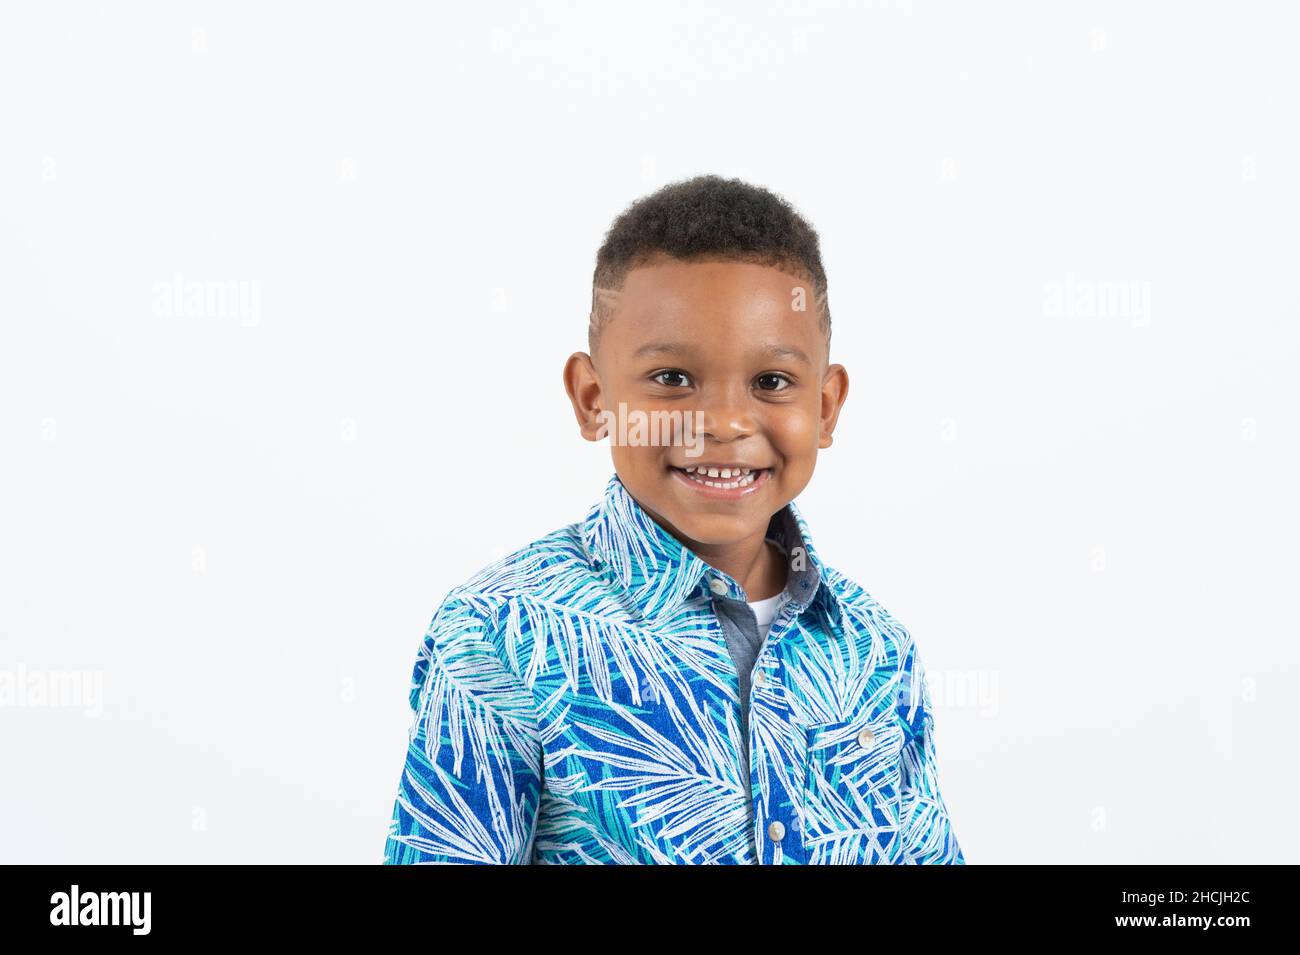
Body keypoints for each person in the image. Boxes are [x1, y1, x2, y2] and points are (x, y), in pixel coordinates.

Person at [382, 174, 965, 864]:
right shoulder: (500, 632)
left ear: (826, 406)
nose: (722, 422)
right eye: (672, 379)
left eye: (771, 382)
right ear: (593, 397)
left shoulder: (875, 651)